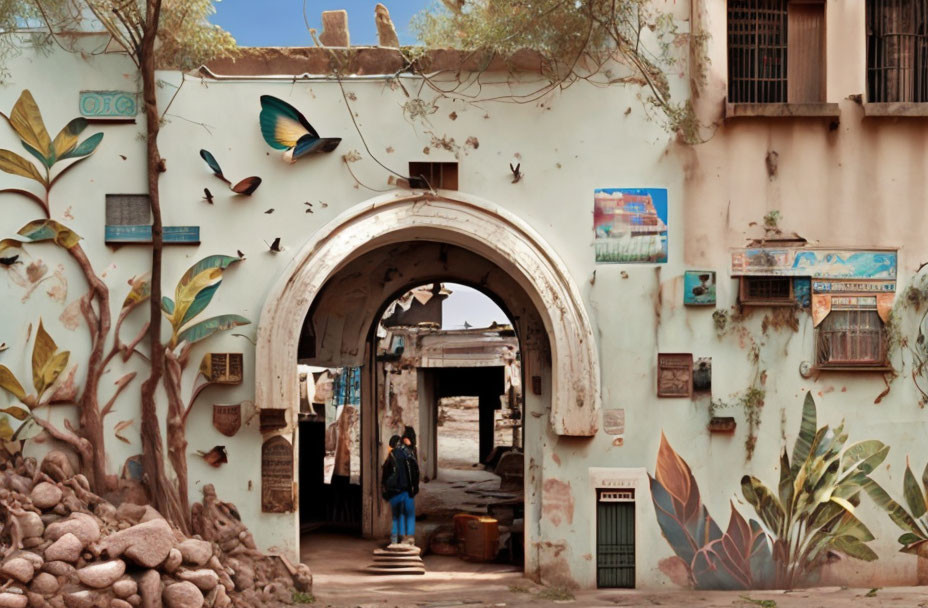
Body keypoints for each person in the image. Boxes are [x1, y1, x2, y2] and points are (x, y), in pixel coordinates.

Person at [381, 433, 419, 546]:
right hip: (407, 491)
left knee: (396, 516)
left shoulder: (391, 456)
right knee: (409, 514)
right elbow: (415, 472)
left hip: (394, 492)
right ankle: (409, 539)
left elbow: (386, 474)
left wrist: (385, 490)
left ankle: (394, 539)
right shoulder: (409, 455)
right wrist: (415, 487)